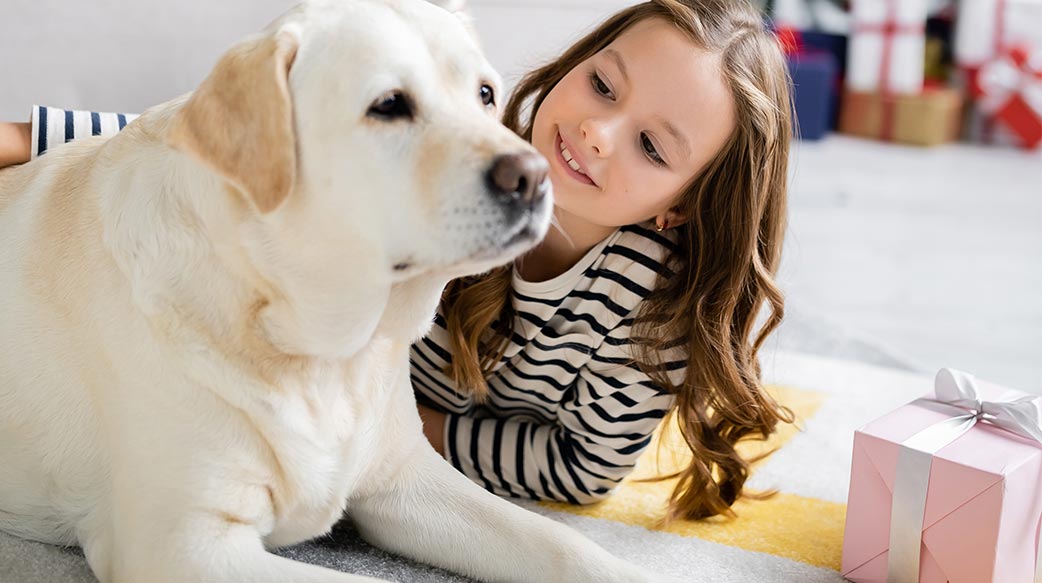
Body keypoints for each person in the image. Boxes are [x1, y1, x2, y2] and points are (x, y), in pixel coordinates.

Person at [0, 0, 794, 523]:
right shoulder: (486, 140)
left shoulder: (651, 312)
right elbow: (214, 131)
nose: (596, 133)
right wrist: (32, 137)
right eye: (601, 86)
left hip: (411, 419)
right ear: (577, 62)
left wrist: (415, 432)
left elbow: (582, 466)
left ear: (680, 206)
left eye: (652, 146)